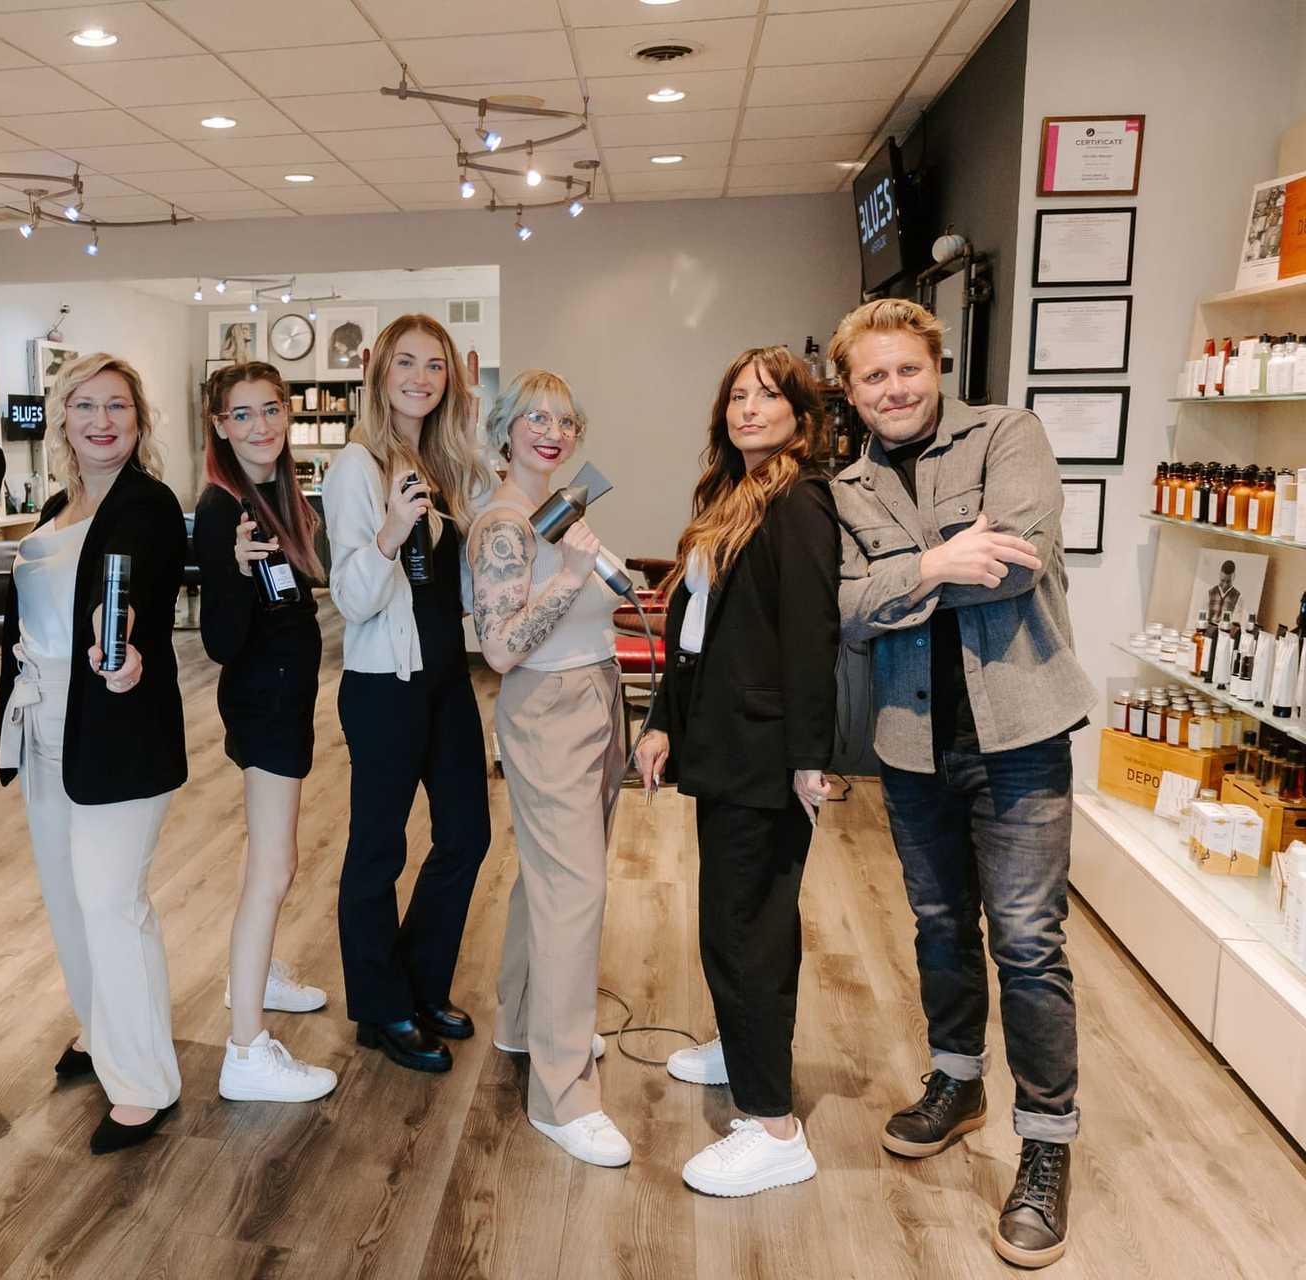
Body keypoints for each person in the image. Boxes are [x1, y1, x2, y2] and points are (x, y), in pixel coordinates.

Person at [830, 298, 1096, 1269]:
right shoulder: (849, 482)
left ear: (935, 367)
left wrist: (901, 575)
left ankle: (1046, 1140)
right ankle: (957, 1079)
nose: (893, 389)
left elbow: (1016, 562)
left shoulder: (1007, 433)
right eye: (873, 376)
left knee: (1027, 938)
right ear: (851, 390)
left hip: (1019, 732)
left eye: (907, 369)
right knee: (940, 925)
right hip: (912, 741)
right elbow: (848, 610)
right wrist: (944, 556)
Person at [633, 346, 838, 1197]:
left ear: (800, 412)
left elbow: (810, 637)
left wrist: (809, 759)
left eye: (768, 396)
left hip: (762, 754)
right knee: (739, 919)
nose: (749, 409)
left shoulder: (799, 501)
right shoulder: (728, 497)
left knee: (744, 928)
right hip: (719, 742)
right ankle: (742, 1044)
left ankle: (774, 1127)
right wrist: (658, 721)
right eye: (737, 397)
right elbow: (694, 628)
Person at [0, 352, 190, 1154]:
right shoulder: (53, 505)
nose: (103, 421)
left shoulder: (148, 504)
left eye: (118, 407)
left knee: (113, 902)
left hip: (116, 728)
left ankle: (145, 1081)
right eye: (86, 406)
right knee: (68, 899)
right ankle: (100, 1030)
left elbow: (139, 599)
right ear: (62, 418)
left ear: (138, 421)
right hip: (44, 727)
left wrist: (131, 659)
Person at [322, 313, 494, 1073]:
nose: (421, 378)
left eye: (436, 367)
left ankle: (420, 984)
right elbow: (353, 600)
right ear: (379, 372)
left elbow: (471, 564)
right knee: (377, 852)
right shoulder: (355, 467)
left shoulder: (444, 462)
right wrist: (390, 532)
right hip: (382, 686)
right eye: (408, 363)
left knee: (466, 835)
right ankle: (381, 1006)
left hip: (446, 677)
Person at [467, 370, 627, 1166]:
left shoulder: (557, 509)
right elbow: (499, 647)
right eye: (535, 417)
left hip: (596, 690)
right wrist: (568, 576)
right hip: (549, 707)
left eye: (565, 419)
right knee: (575, 890)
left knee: (551, 878)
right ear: (505, 429)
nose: (552, 431)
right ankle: (562, 1096)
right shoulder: (503, 526)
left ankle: (526, 1023)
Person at [195, 361, 337, 1105]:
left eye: (270, 410)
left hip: (283, 695)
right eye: (242, 415)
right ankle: (246, 1046)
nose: (261, 426)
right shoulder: (224, 510)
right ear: (219, 425)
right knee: (273, 868)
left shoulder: (278, 494)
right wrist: (238, 572)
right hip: (265, 700)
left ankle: (259, 971)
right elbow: (221, 639)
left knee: (270, 858)